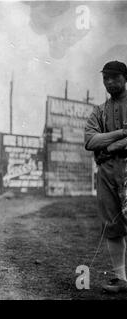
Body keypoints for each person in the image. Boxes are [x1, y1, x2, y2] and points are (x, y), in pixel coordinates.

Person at [85, 60, 127, 293]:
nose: (110, 82)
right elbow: (90, 141)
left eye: (115, 77)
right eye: (106, 78)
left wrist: (110, 146)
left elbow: (101, 142)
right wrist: (121, 134)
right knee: (112, 225)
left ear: (125, 77)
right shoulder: (99, 111)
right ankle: (121, 279)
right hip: (108, 173)